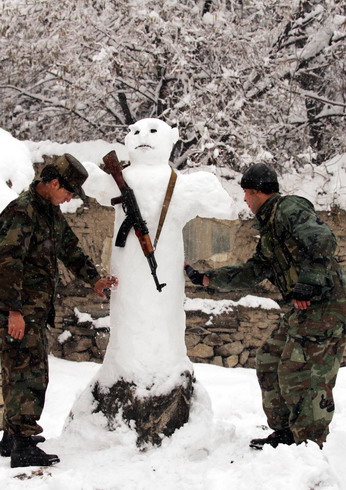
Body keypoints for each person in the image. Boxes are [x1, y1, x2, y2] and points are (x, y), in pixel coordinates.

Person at [184, 163, 346, 450]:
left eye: (246, 194)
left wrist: (308, 281)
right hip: (305, 308)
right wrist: (208, 278)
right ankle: (285, 433)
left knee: (301, 371)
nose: (245, 200)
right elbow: (254, 271)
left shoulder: (288, 209)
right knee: (269, 360)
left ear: (257, 192)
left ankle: (307, 443)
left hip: (328, 305)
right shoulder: (271, 227)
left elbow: (323, 241)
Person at [0, 153, 118, 468]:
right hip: (18, 311)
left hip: (33, 312)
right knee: (31, 374)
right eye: (67, 192)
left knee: (19, 371)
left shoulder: (48, 212)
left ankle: (12, 437)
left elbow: (70, 249)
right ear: (53, 183)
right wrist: (13, 311)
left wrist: (94, 279)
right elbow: (6, 263)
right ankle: (24, 443)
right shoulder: (22, 212)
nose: (68, 199)